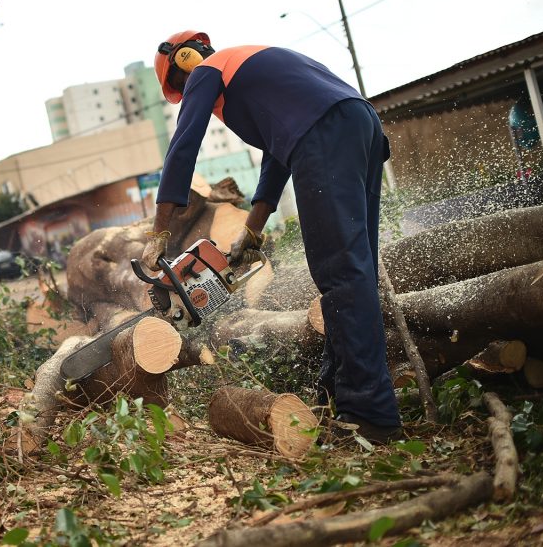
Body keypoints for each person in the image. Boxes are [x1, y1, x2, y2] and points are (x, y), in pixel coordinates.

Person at [141, 30, 401, 444]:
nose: (185, 93)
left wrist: (161, 230)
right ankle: (338, 394)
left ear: (185, 59)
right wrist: (252, 229)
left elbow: (183, 145)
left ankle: (371, 418)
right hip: (361, 124)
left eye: (179, 86)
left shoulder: (209, 69)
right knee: (356, 272)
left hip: (325, 134)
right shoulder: (254, 66)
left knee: (341, 275)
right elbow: (278, 154)